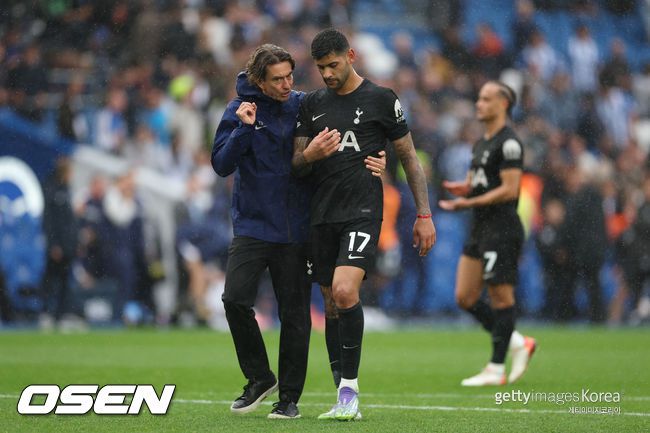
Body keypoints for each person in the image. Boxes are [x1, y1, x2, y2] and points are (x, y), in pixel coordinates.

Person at [212, 44, 385, 420]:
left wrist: (376, 155)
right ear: (259, 80)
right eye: (277, 79)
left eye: (290, 75)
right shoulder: (239, 110)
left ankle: (289, 399)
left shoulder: (304, 105)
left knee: (295, 316)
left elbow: (348, 137)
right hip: (253, 225)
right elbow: (222, 165)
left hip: (296, 228)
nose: (287, 84)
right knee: (234, 300)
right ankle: (260, 377)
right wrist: (243, 129)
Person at [292, 29, 436, 420]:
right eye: (321, 67)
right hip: (322, 215)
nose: (327, 74)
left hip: (362, 212)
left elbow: (409, 157)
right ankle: (342, 396)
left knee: (343, 290)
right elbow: (296, 164)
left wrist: (424, 214)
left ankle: (350, 391)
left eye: (333, 65)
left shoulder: (382, 99)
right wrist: (311, 154)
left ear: (351, 56)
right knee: (330, 302)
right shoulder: (312, 104)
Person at [439, 81, 536, 386]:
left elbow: (509, 190)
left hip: (501, 228)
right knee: (465, 297)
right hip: (479, 227)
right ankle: (517, 341)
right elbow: (479, 182)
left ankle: (496, 368)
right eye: (479, 98)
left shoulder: (510, 143)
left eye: (485, 99)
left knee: (500, 296)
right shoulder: (481, 143)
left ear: (503, 103)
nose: (478, 104)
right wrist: (465, 188)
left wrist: (468, 202)